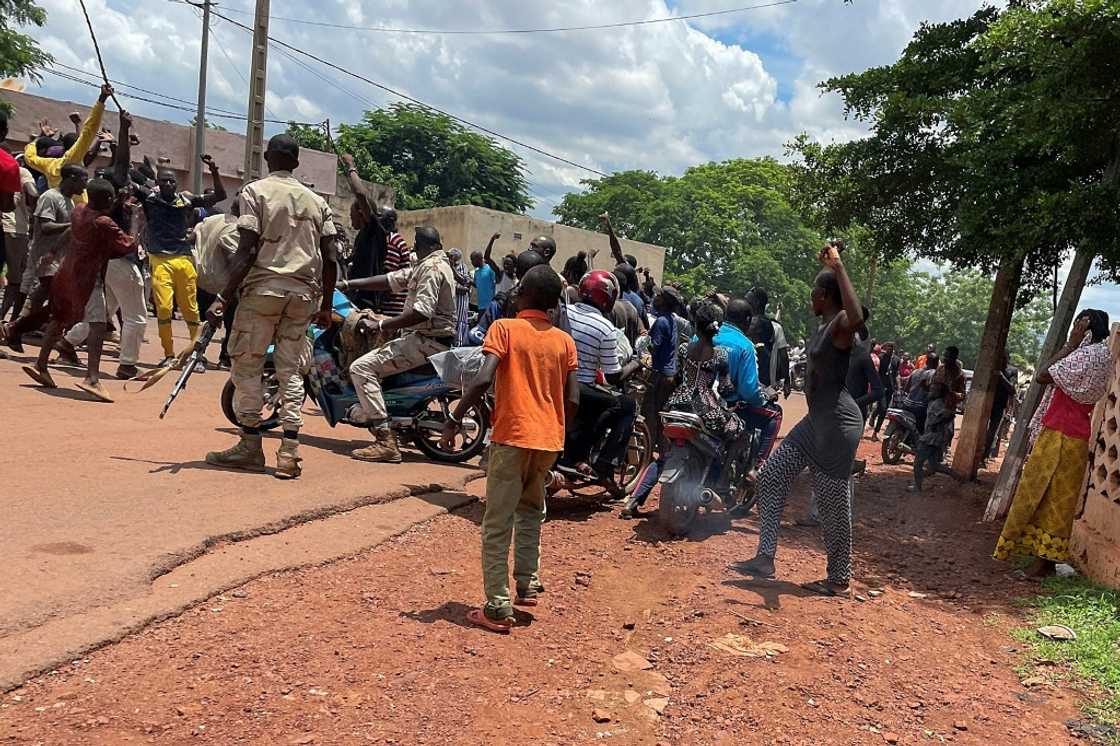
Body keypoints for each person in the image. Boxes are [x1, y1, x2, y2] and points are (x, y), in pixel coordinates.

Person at [440, 265, 579, 633]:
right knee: (532, 510)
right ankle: (527, 583)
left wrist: (455, 419)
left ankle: (497, 607)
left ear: (524, 295)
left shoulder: (504, 329)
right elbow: (573, 398)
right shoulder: (564, 341)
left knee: (497, 521)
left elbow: (484, 377)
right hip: (548, 439)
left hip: (513, 434)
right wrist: (557, 427)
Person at [732, 242, 864, 597]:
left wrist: (839, 267)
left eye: (813, 293)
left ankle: (839, 579)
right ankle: (765, 556)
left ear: (824, 295)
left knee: (832, 502)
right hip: (815, 422)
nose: (810, 299)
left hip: (838, 425)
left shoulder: (840, 323)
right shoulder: (822, 326)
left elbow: (857, 318)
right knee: (772, 477)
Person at [205, 134, 337, 479]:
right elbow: (332, 259)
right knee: (290, 370)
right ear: (295, 162)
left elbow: (246, 250)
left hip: (263, 291)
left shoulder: (255, 192)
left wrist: (222, 297)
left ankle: (250, 445)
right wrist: (324, 303)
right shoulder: (317, 201)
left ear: (267, 158)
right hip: (303, 297)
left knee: (247, 365)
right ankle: (289, 451)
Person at [994, 310, 1112, 577]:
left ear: (1085, 328)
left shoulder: (1083, 354)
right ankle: (1044, 559)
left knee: (1037, 492)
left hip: (1060, 433)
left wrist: (1071, 343)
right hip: (1077, 436)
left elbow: (1043, 375)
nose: (1074, 330)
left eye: (1077, 326)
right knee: (1060, 500)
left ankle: (1039, 561)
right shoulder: (1105, 357)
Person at [343, 226, 456, 463]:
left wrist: (382, 326)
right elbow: (390, 280)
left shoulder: (431, 269)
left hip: (426, 342)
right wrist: (349, 284)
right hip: (427, 339)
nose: (413, 247)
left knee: (360, 368)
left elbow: (421, 313)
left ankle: (385, 440)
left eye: (416, 242)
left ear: (425, 245)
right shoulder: (428, 265)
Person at [19, 177, 137, 400]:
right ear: (108, 199)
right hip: (88, 278)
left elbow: (70, 232)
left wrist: (53, 251)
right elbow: (129, 245)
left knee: (59, 317)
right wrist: (137, 221)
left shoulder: (79, 210)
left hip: (66, 273)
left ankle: (41, 364)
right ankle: (92, 378)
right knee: (99, 325)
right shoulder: (104, 222)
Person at [59, 109, 148, 380]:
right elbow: (121, 163)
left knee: (106, 311)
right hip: (121, 261)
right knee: (136, 315)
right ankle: (127, 364)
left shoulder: (90, 204)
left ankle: (67, 343)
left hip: (103, 264)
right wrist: (122, 127)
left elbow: (120, 163)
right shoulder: (115, 200)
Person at [136, 152, 226, 366]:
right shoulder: (149, 199)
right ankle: (168, 355)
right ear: (157, 183)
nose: (168, 184)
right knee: (165, 309)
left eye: (172, 181)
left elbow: (220, 195)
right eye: (164, 181)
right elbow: (122, 176)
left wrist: (213, 170)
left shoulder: (187, 201)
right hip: (160, 260)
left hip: (184, 259)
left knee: (191, 310)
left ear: (176, 184)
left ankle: (196, 355)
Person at [2, 165, 88, 352]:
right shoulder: (50, 197)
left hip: (59, 260)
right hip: (45, 258)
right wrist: (74, 225)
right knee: (61, 304)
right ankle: (17, 328)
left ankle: (15, 329)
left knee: (37, 298)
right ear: (72, 178)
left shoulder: (69, 202)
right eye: (83, 179)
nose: (85, 185)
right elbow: (46, 226)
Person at [563, 269, 636, 480]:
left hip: (555, 382)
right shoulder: (605, 327)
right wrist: (635, 364)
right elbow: (612, 376)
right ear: (608, 296)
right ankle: (604, 462)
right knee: (626, 405)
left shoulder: (563, 311)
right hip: (580, 388)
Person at [620, 286, 683, 519]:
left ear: (664, 302)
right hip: (669, 376)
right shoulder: (672, 321)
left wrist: (641, 346)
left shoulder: (661, 323)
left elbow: (652, 348)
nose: (654, 299)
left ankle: (649, 456)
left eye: (658, 297)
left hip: (659, 378)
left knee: (650, 424)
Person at [22, 85, 111, 205]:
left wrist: (37, 139)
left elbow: (30, 158)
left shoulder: (50, 165)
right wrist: (102, 100)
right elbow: (88, 131)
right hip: (76, 218)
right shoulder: (72, 158)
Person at [193, 196, 241, 370]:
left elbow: (192, 236)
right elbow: (234, 261)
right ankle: (225, 358)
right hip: (223, 286)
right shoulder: (236, 229)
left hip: (200, 279)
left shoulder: (211, 220)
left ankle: (197, 356)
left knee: (201, 322)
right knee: (231, 324)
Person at [1, 153, 38, 323]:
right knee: (16, 281)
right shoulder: (21, 171)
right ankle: (3, 320)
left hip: (5, 227)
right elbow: (33, 193)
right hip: (16, 230)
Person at [908, 379, 956, 492]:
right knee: (934, 466)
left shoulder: (937, 403)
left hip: (932, 437)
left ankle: (917, 487)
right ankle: (958, 477)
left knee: (918, 462)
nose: (930, 391)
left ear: (938, 393)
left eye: (933, 390)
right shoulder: (937, 401)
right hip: (936, 437)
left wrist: (937, 424)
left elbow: (949, 414)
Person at [846, 308, 883, 423]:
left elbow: (878, 391)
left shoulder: (862, 356)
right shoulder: (837, 356)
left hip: (852, 417)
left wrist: (854, 404)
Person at [985, 351, 1018, 460]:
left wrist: (1001, 376)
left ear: (1007, 359)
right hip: (985, 402)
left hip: (999, 405)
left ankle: (985, 455)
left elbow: (1012, 390)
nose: (1001, 361)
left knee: (992, 432)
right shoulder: (991, 368)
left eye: (1003, 358)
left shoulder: (1011, 371)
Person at [745, 287, 776, 386]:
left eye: (748, 301)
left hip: (755, 379)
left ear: (756, 303)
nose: (744, 304)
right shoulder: (762, 321)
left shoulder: (757, 322)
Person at [869, 340, 900, 439]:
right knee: (882, 408)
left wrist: (898, 387)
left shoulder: (896, 360)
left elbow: (896, 374)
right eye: (888, 348)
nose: (889, 350)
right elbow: (876, 372)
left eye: (891, 349)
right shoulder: (881, 358)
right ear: (885, 349)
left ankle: (875, 429)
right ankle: (875, 429)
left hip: (890, 388)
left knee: (884, 409)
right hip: (881, 386)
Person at [448, 248, 472, 346]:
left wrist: (452, 267)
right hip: (451, 300)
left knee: (460, 320)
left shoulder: (462, 266)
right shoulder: (446, 266)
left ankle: (459, 343)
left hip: (460, 300)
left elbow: (465, 282)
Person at [471, 232, 501, 309]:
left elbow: (497, 282)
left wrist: (492, 239)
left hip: (490, 307)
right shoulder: (476, 272)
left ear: (479, 259)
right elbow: (477, 285)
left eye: (473, 260)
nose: (472, 262)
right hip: (480, 307)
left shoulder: (490, 269)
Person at [935, 345, 967, 411]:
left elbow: (962, 396)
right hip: (933, 408)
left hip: (947, 412)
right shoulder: (940, 369)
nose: (944, 358)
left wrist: (950, 393)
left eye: (947, 356)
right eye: (944, 355)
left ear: (954, 357)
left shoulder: (960, 375)